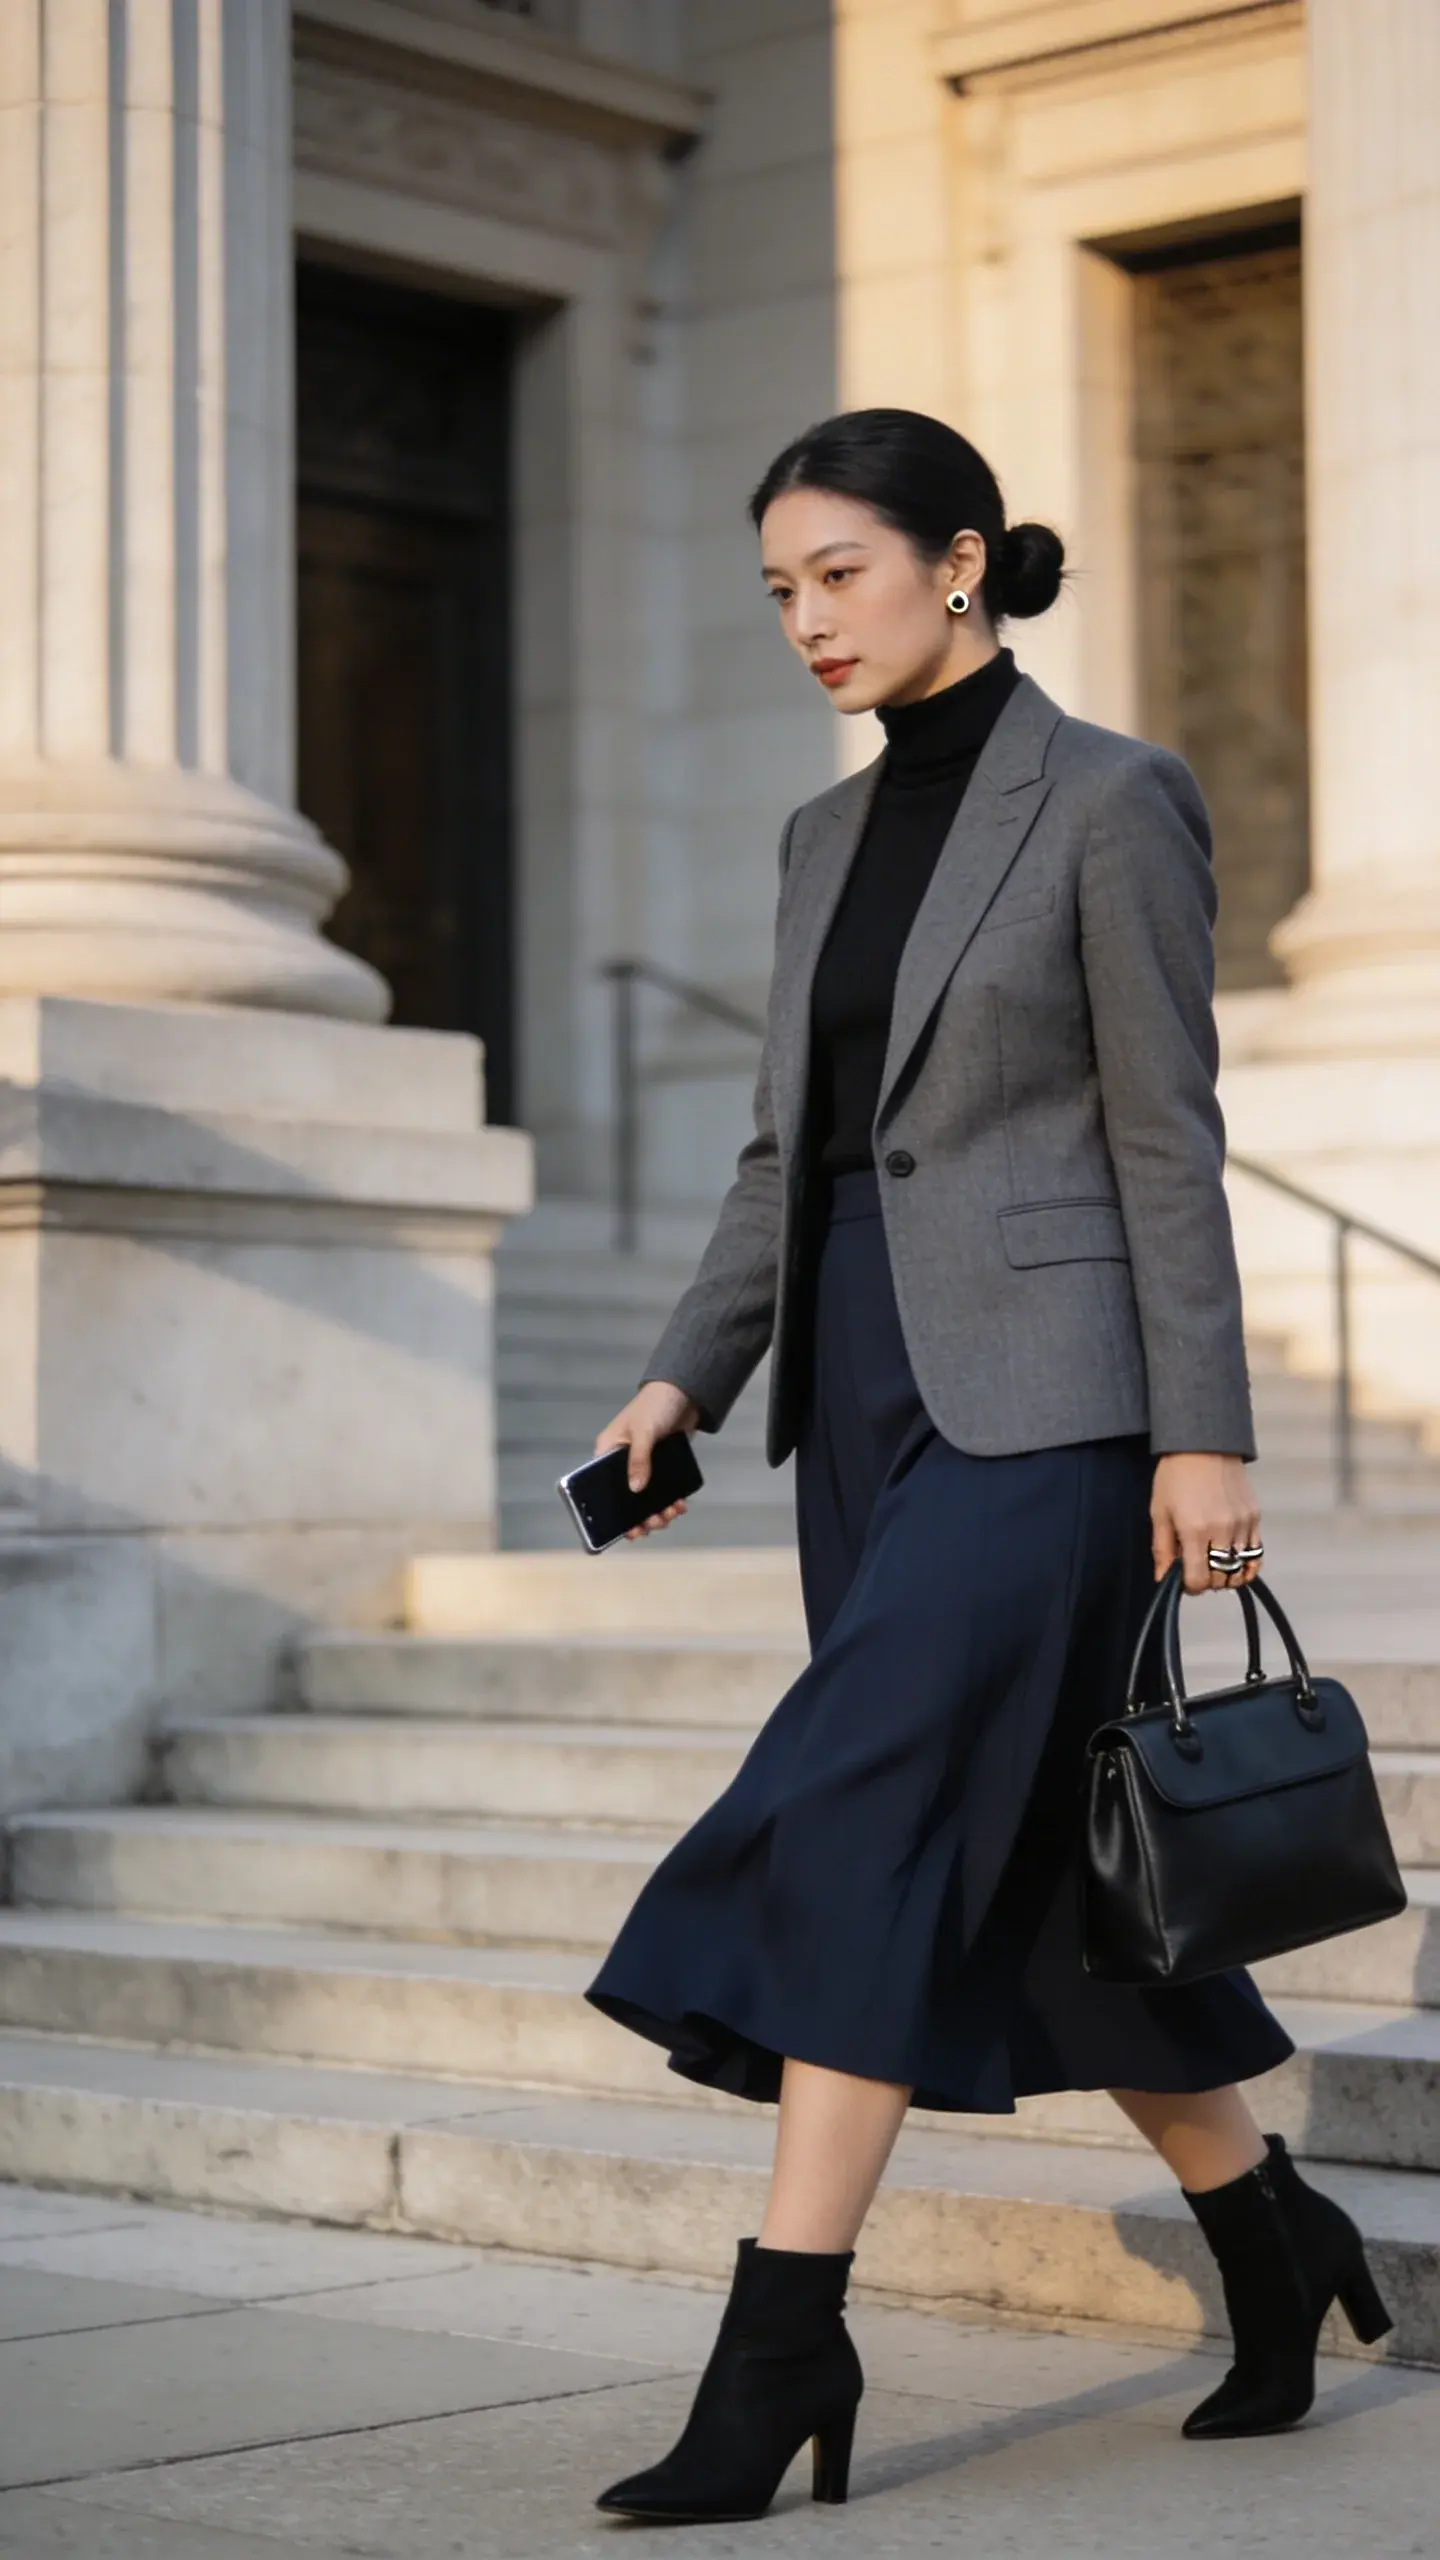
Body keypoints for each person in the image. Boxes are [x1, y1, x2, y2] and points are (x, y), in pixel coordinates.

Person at [581, 410, 1391, 2526]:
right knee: (1029, 1877)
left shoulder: (1112, 797)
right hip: (858, 1399)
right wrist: (682, 1378)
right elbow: (786, 1152)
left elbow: (1164, 1135)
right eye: (780, 588)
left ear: (959, 559)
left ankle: (784, 2337)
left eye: (839, 573)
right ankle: (1274, 2229)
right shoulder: (816, 840)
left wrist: (1205, 1434)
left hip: (1052, 1408)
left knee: (862, 1807)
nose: (806, 620)